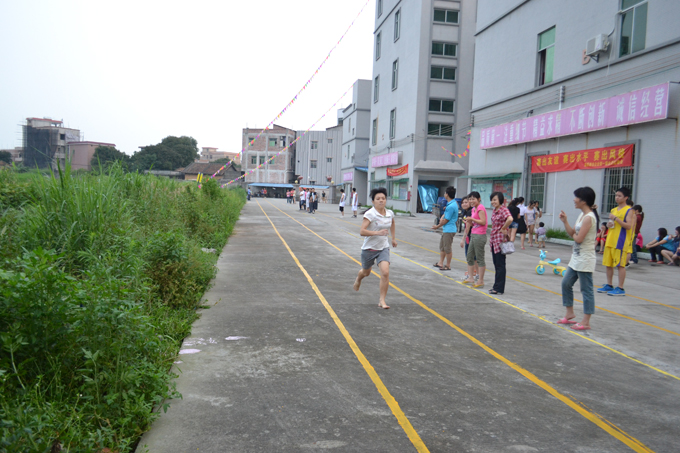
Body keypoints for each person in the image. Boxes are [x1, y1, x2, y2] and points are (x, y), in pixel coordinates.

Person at [557, 187, 599, 331]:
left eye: (576, 197)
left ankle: (586, 321)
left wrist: (575, 236)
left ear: (584, 200)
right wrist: (565, 221)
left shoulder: (589, 218)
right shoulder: (582, 215)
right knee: (566, 283)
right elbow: (573, 233)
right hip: (576, 257)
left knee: (586, 290)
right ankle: (569, 313)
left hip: (585, 259)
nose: (574, 200)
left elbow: (579, 238)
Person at [353, 188, 397, 309]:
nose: (381, 201)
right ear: (373, 201)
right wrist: (377, 233)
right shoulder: (370, 214)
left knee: (385, 273)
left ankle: (382, 300)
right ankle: (359, 278)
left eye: (383, 198)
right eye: (378, 199)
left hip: (383, 248)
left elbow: (392, 223)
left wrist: (393, 238)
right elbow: (362, 231)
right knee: (366, 272)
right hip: (369, 249)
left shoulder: (389, 213)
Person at [597, 187, 634, 297]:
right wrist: (609, 225)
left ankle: (620, 288)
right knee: (608, 264)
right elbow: (613, 224)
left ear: (626, 197)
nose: (617, 197)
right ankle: (609, 284)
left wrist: (616, 219)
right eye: (616, 195)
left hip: (620, 242)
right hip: (610, 240)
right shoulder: (613, 210)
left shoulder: (629, 210)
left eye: (619, 196)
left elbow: (628, 226)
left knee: (620, 265)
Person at [489, 192, 513, 295]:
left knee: (500, 265)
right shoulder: (495, 210)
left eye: (495, 200)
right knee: (496, 264)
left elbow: (510, 219)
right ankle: (496, 286)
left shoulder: (503, 209)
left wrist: (504, 228)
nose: (493, 202)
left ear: (500, 200)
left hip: (500, 241)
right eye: (492, 200)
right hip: (494, 240)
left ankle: (499, 288)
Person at [462, 191, 486, 288]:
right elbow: (475, 223)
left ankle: (480, 280)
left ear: (479, 199)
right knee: (470, 256)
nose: (471, 201)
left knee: (479, 258)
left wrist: (472, 219)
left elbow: (483, 222)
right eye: (470, 199)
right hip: (473, 234)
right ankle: (471, 277)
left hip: (480, 235)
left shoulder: (480, 208)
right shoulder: (473, 209)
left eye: (473, 199)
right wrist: (469, 222)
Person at [432, 186, 458, 271]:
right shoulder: (451, 204)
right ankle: (440, 262)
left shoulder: (451, 206)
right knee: (442, 246)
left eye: (445, 193)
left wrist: (437, 226)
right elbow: (446, 215)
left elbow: (446, 220)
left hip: (449, 229)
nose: (444, 194)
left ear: (447, 194)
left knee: (447, 248)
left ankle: (448, 265)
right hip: (447, 229)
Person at [459, 197, 478, 282]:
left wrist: (463, 238)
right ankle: (475, 273)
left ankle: (472, 274)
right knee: (473, 257)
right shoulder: (466, 211)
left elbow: (468, 226)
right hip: (471, 236)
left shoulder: (469, 212)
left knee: (470, 256)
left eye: (466, 202)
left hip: (471, 236)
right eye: (463, 202)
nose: (464, 204)